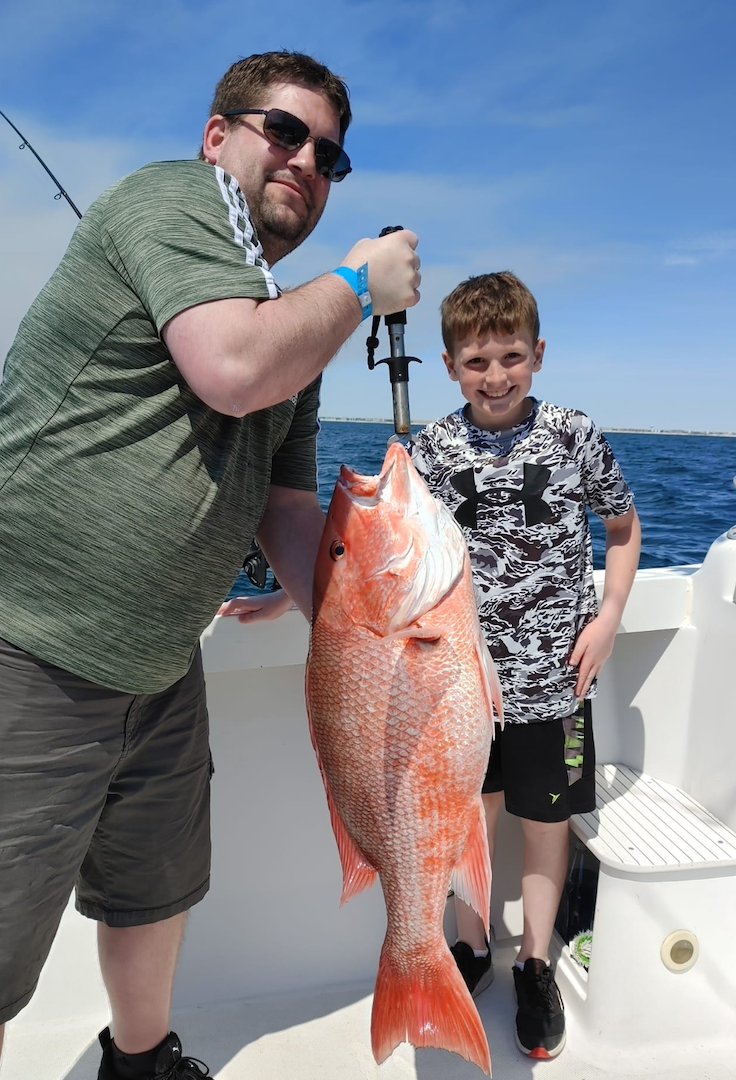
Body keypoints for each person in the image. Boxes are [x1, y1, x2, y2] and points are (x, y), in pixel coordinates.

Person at [0, 50, 420, 1079]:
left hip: (160, 661)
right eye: (283, 131)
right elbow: (230, 370)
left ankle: (139, 1060)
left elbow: (284, 509)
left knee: (157, 888)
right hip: (29, 649)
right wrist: (361, 282)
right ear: (215, 135)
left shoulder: (292, 323)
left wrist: (372, 624)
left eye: (328, 153)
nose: (306, 162)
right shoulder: (170, 198)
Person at [408, 271, 640, 1060]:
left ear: (538, 354)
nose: (495, 375)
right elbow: (393, 555)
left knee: (544, 821)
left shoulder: (574, 433)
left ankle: (534, 960)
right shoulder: (431, 450)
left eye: (511, 356)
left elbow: (622, 526)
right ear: (448, 367)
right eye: (476, 361)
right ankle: (473, 945)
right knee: (471, 815)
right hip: (460, 687)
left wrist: (607, 617)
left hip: (555, 680)